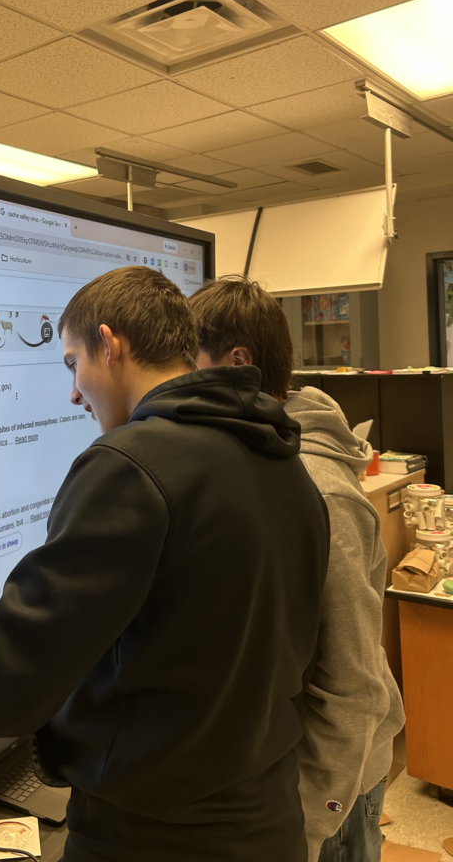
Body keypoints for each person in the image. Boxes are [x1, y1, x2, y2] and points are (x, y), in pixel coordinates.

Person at [0, 266, 329, 862]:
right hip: (265, 824)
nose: (74, 393)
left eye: (72, 364)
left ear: (109, 345)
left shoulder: (129, 465)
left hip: (154, 841)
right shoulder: (280, 458)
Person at [189, 276, 405, 862]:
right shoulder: (265, 453)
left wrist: (308, 825)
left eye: (191, 364)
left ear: (238, 361)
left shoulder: (317, 489)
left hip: (331, 788)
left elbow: (353, 687)